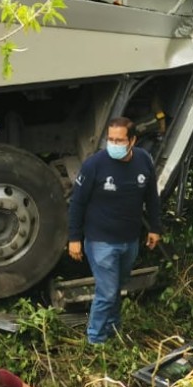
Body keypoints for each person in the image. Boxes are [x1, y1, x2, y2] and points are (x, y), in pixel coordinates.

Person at [68, 116, 162, 344]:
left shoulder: (144, 160)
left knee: (117, 288)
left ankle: (113, 329)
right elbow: (77, 202)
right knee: (108, 292)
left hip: (129, 240)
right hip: (100, 241)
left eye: (119, 140)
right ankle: (96, 340)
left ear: (132, 141)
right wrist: (74, 238)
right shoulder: (94, 165)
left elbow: (151, 196)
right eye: (110, 139)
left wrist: (155, 228)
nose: (114, 144)